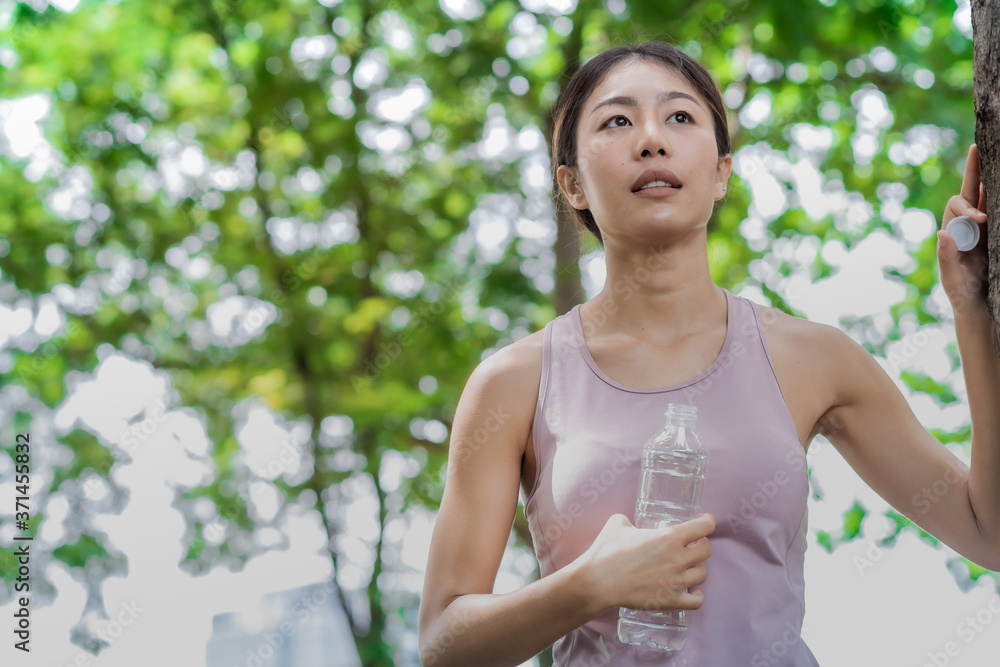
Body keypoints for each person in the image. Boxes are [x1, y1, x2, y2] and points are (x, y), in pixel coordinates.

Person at [417, 40, 997, 666]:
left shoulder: (815, 359)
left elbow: (988, 531)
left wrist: (971, 312)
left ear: (721, 172)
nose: (650, 140)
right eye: (616, 120)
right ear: (573, 185)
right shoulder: (514, 381)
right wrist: (587, 587)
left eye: (679, 117)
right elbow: (443, 642)